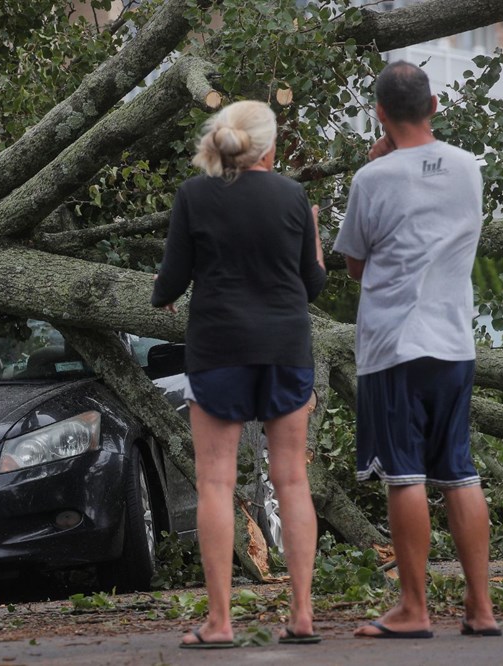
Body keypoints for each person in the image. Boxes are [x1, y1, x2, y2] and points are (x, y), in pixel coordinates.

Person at [333, 61, 501, 639]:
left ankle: (414, 608)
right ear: (435, 106)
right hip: (454, 341)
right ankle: (480, 609)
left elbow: (354, 265)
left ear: (379, 113)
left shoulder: (371, 179)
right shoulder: (468, 167)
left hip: (394, 343)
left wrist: (379, 158)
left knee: (404, 476)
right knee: (459, 471)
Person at [151, 100, 327, 648]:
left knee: (216, 483)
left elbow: (169, 284)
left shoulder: (193, 195)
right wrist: (314, 237)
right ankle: (301, 616)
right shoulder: (293, 196)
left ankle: (220, 622)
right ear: (269, 148)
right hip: (284, 348)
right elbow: (313, 286)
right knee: (292, 479)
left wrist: (167, 298)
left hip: (219, 348)